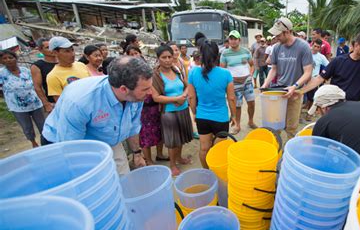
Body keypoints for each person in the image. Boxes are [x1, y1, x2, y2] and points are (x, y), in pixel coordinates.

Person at [41, 56, 151, 175]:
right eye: (145, 89)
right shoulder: (80, 102)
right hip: (69, 143)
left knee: (122, 176)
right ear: (123, 89)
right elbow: (71, 149)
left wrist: (137, 154)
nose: (150, 93)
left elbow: (133, 127)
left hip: (108, 138)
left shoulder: (136, 96)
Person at [261, 17, 313, 139]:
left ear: (288, 31)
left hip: (295, 92)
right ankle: (276, 148)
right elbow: (274, 69)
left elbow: (308, 72)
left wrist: (295, 86)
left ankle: (288, 151)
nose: (276, 38)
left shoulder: (303, 47)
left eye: (278, 35)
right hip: (279, 91)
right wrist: (265, 84)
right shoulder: (277, 47)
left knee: (291, 127)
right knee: (275, 124)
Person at [188, 39, 237, 169]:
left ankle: (207, 171)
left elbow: (191, 97)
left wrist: (194, 112)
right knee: (219, 149)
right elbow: (231, 98)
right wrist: (234, 116)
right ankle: (217, 171)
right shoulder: (226, 74)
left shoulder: (193, 72)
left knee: (204, 148)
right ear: (217, 55)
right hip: (220, 118)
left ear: (201, 54)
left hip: (202, 117)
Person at [152, 45, 193, 176]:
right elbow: (156, 97)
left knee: (181, 137)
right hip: (169, 112)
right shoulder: (155, 75)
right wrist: (176, 99)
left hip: (183, 109)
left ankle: (179, 157)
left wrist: (184, 96)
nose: (167, 60)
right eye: (164, 57)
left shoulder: (176, 70)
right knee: (172, 140)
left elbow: (187, 86)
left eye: (169, 57)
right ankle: (172, 165)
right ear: (158, 59)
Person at [0, 50, 45, 148]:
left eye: (10, 57)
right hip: (18, 107)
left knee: (42, 124)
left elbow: (36, 84)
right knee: (27, 127)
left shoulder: (25, 70)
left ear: (15, 58)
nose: (8, 60)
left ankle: (46, 141)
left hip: (35, 103)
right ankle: (34, 143)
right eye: (4, 58)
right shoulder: (2, 74)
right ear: (1, 61)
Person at [220, 30, 257, 134]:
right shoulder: (225, 53)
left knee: (252, 103)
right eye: (231, 39)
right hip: (234, 83)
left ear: (239, 40)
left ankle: (250, 121)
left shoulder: (246, 51)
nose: (233, 41)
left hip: (247, 81)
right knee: (237, 105)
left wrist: (250, 74)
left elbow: (252, 64)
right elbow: (222, 69)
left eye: (235, 39)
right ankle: (237, 125)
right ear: (229, 40)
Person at [47, 36, 90, 101]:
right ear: (55, 53)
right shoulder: (53, 76)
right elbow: (61, 102)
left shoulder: (81, 65)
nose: (72, 54)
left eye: (72, 50)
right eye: (67, 51)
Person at [304, 39, 329, 118]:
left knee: (312, 97)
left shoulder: (321, 57)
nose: (316, 48)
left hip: (314, 79)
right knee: (306, 95)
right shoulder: (306, 54)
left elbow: (329, 66)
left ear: (320, 48)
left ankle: (309, 114)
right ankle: (308, 109)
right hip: (303, 78)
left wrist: (323, 76)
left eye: (318, 47)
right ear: (312, 45)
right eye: (315, 46)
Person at [30, 37, 56, 113]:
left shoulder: (62, 62)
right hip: (53, 102)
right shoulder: (38, 66)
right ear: (40, 50)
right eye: (47, 47)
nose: (51, 49)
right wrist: (46, 104)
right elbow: (37, 87)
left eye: (52, 46)